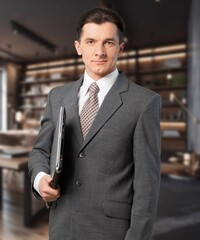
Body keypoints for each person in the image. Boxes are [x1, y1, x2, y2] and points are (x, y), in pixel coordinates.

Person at [28, 7, 161, 240]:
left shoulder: (144, 102)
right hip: (62, 227)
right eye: (90, 41)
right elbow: (40, 150)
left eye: (108, 42)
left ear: (120, 48)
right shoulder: (57, 96)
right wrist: (40, 180)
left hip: (112, 232)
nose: (99, 51)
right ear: (78, 47)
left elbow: (147, 186)